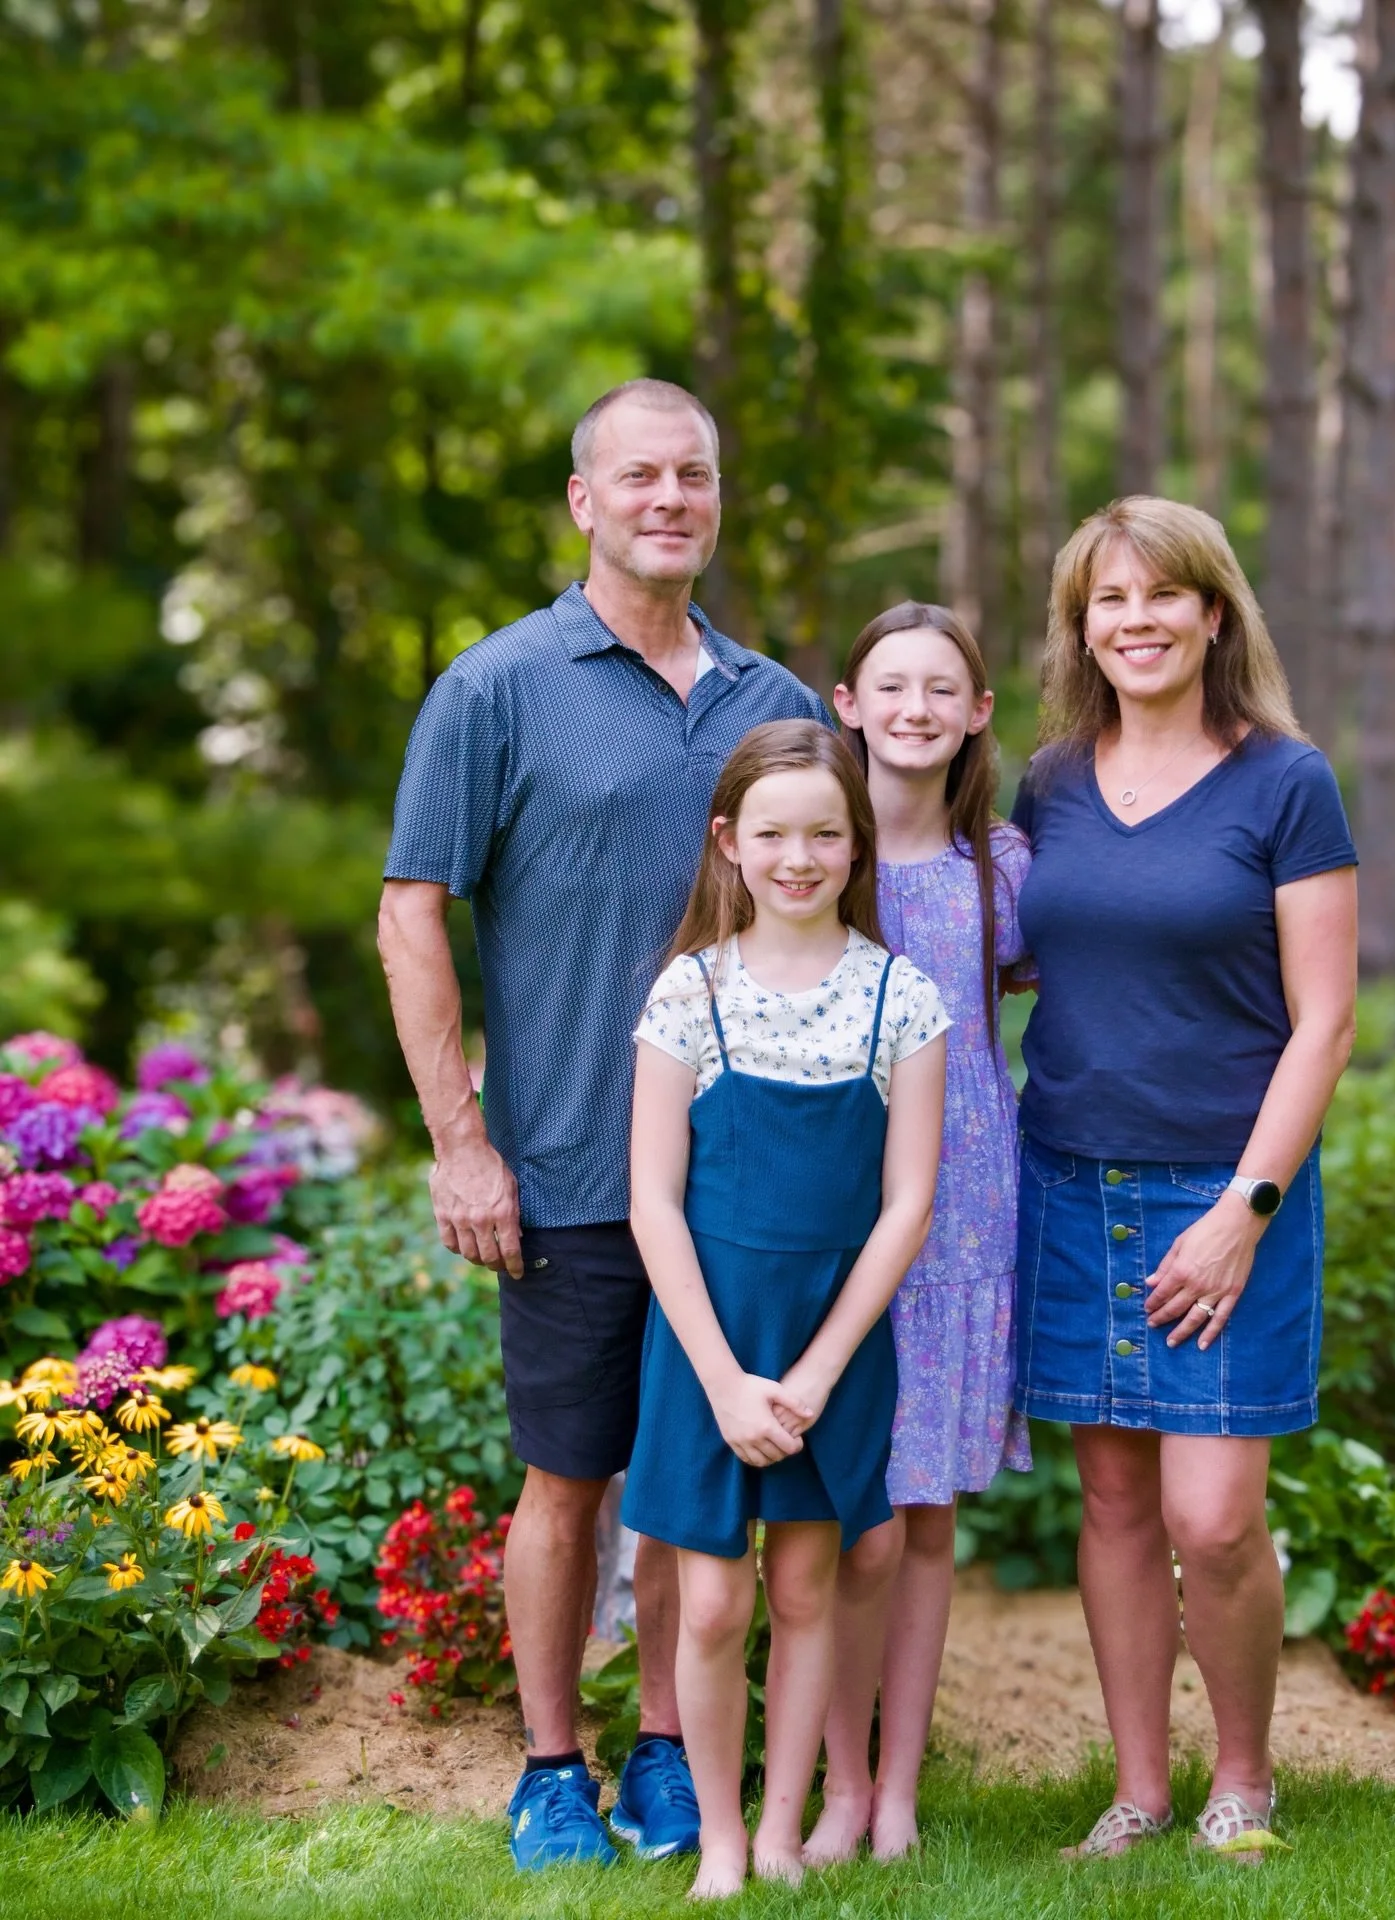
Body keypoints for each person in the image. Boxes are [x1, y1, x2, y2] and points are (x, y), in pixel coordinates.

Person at [377, 380, 829, 1873]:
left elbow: (858, 899)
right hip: (568, 1160)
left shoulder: (778, 704)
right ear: (583, 500)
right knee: (569, 1474)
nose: (669, 499)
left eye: (693, 476)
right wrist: (461, 1139)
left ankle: (672, 1756)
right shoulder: (496, 687)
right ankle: (551, 1769)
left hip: (749, 1177)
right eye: (638, 476)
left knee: (701, 1477)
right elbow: (410, 916)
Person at [1010, 497, 1357, 1860]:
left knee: (1213, 1520)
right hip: (1071, 1181)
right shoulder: (1045, 783)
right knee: (1111, 1502)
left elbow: (1322, 1023)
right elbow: (1024, 950)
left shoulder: (1286, 780)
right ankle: (1142, 1792)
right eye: (1109, 599)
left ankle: (1245, 1776)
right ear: (1080, 626)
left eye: (1164, 595)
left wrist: (1242, 1214)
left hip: (1229, 1190)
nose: (1136, 620)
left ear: (1214, 613)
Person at [622, 720, 948, 1898]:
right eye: (773, 833)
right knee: (709, 1604)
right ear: (729, 843)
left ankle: (782, 1823)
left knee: (807, 1588)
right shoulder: (688, 993)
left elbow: (906, 1204)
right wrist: (723, 1378)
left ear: (858, 843)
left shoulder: (897, 999)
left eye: (825, 831)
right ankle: (718, 1833)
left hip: (833, 1350)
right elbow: (653, 1202)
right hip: (706, 1346)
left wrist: (813, 1377)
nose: (799, 856)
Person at [800, 602, 1033, 1866]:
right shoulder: (818, 852)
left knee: (926, 1512)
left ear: (980, 712)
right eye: (891, 685)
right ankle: (837, 1785)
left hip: (966, 1203)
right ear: (848, 701)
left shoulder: (1005, 870)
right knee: (853, 1516)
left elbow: (1055, 987)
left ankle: (896, 1792)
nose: (916, 709)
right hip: (834, 1202)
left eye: (944, 689)